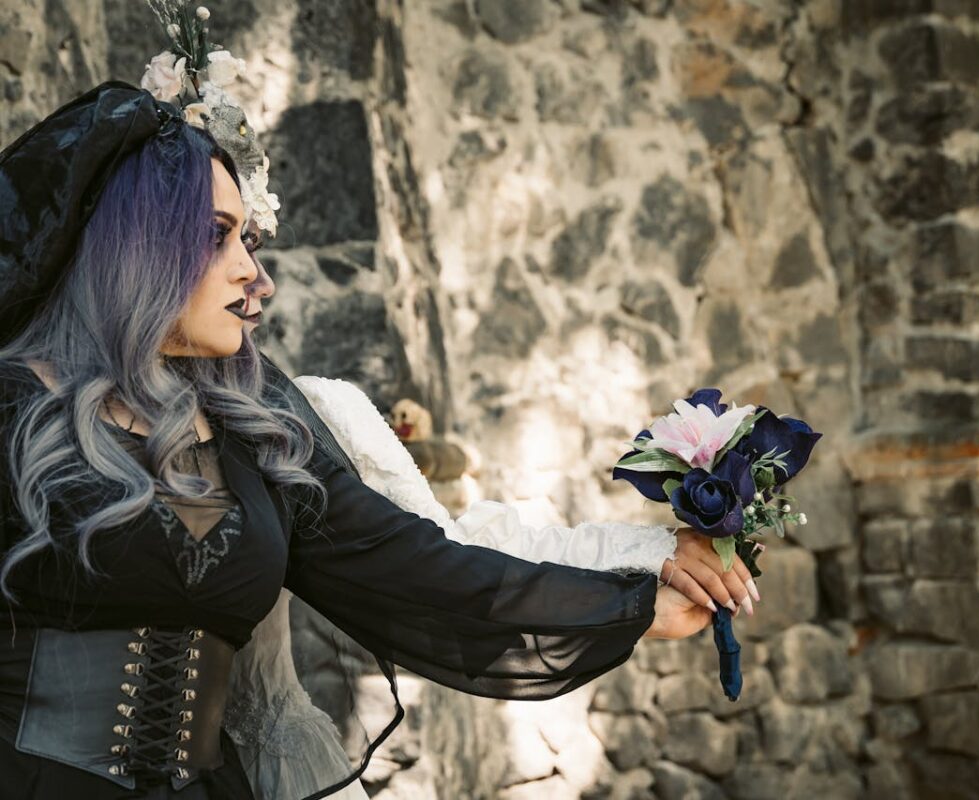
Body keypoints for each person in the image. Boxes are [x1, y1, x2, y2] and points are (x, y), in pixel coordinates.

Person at [0, 83, 757, 799]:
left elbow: (416, 566)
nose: (253, 273)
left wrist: (631, 603)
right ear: (137, 248)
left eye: (250, 240)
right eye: (217, 237)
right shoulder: (14, 410)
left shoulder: (254, 421)